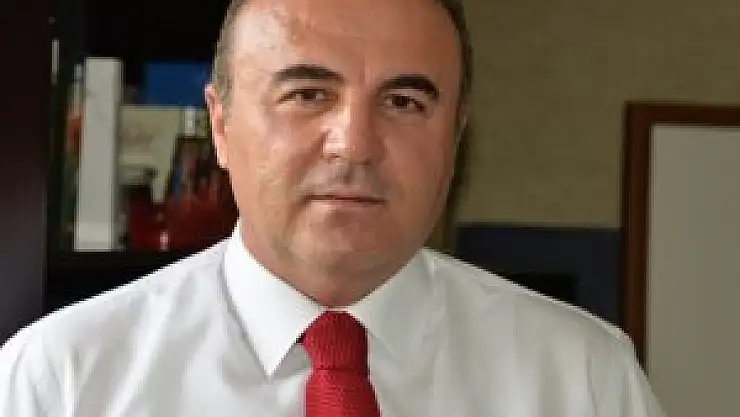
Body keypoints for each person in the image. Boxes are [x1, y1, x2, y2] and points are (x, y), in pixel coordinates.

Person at [0, 0, 666, 415]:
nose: (355, 143)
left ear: (455, 136)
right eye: (308, 95)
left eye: (403, 102)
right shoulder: (63, 380)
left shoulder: (580, 379)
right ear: (221, 126)